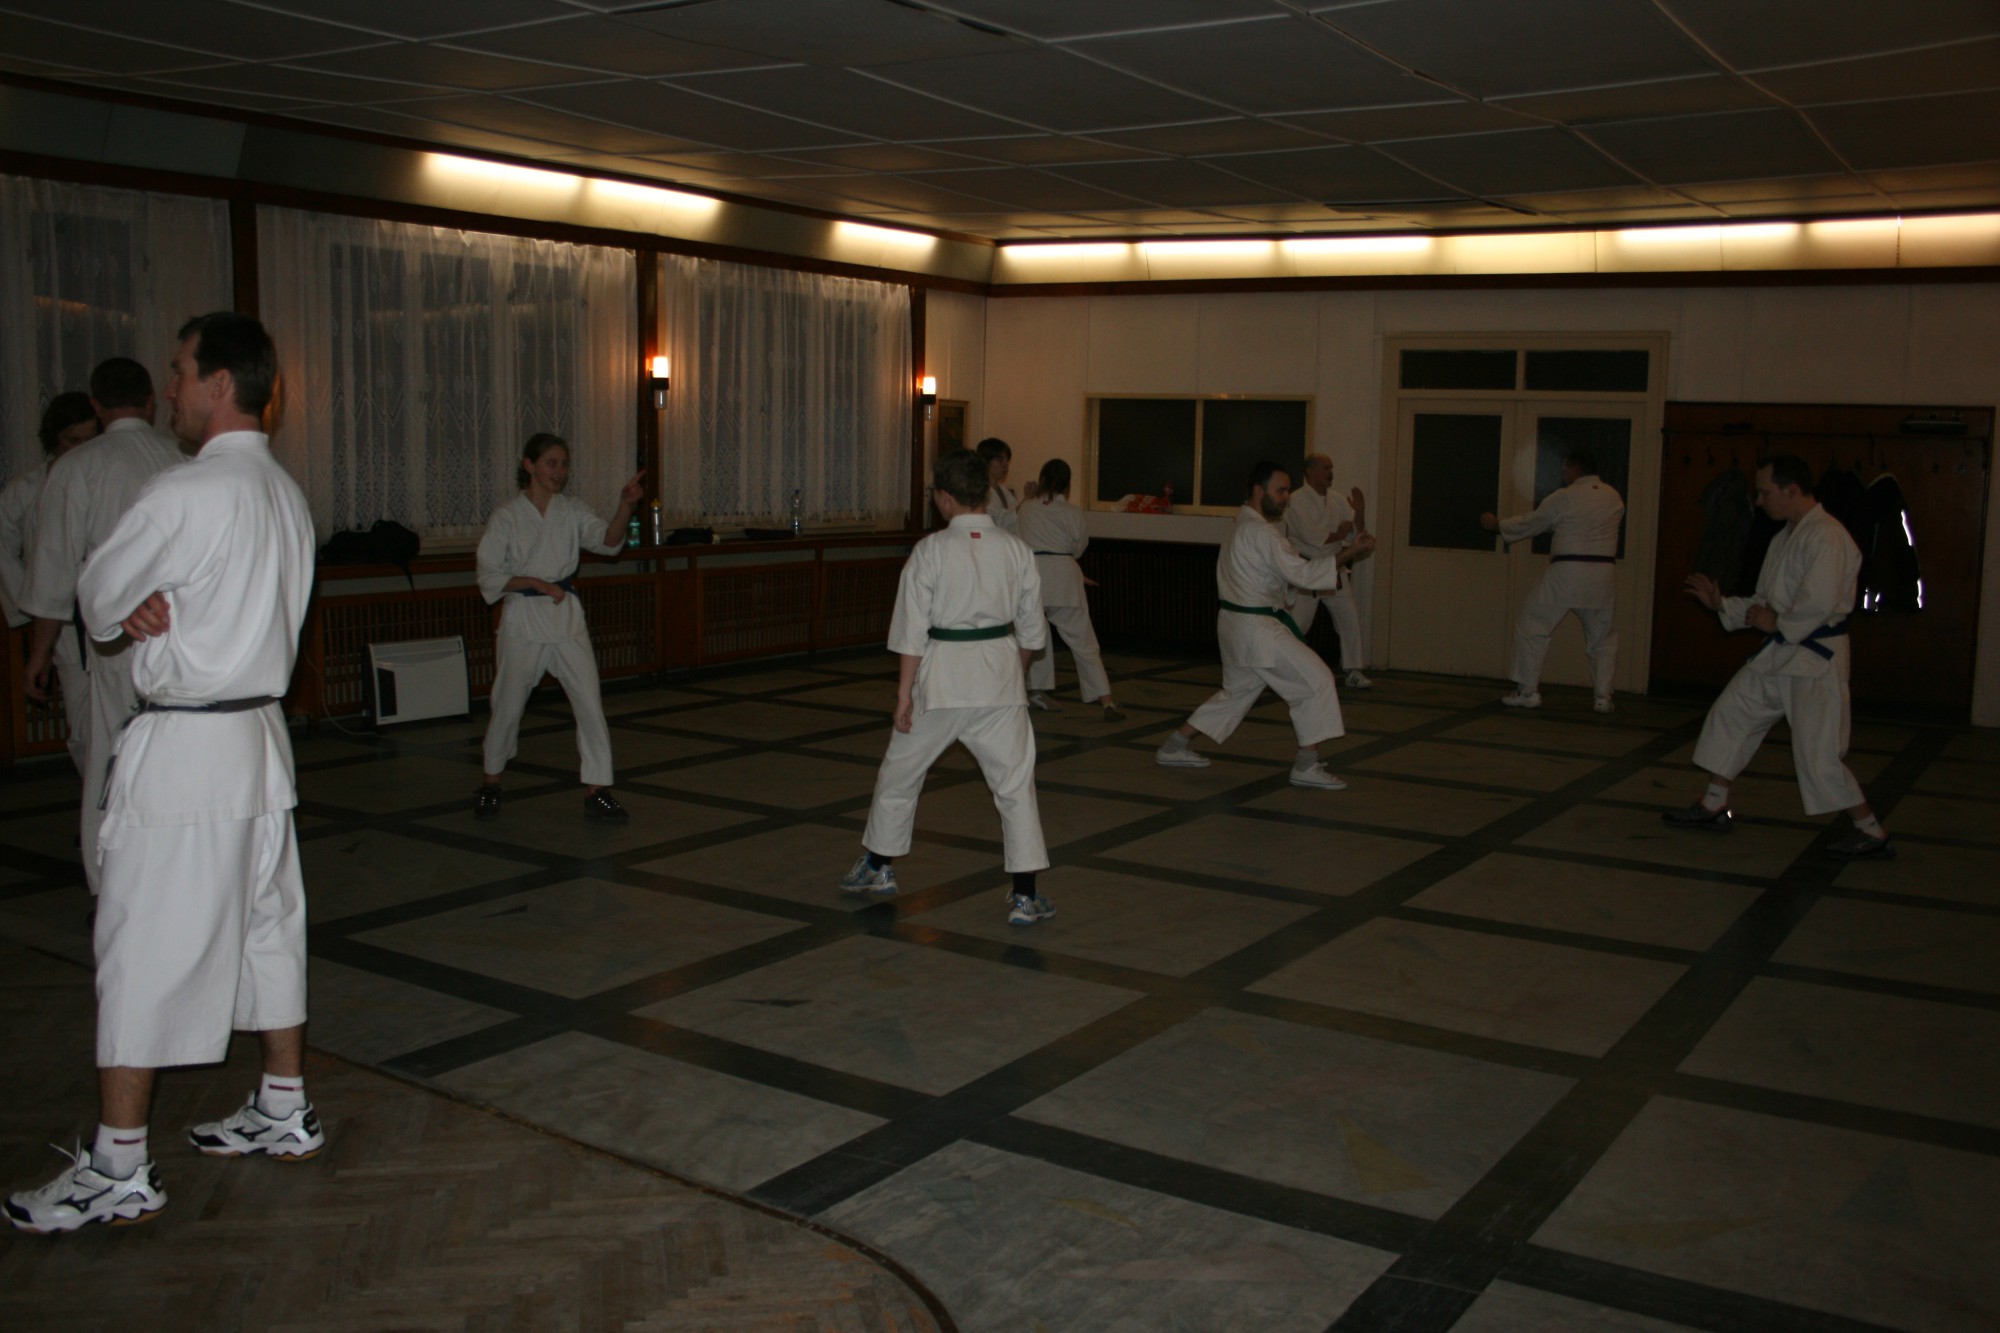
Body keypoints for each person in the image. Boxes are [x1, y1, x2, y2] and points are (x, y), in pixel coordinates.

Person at [5, 312, 321, 1235]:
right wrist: (146, 599)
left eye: (181, 370)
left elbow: (95, 595)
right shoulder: (284, 494)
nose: (170, 389)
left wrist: (135, 602)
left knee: (138, 947)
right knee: (269, 926)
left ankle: (118, 1165)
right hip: (260, 743)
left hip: (186, 751)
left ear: (220, 382)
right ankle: (283, 1102)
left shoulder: (187, 491)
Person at [841, 447, 1055, 925]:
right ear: (984, 492)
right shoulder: (1016, 550)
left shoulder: (930, 551)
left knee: (900, 774)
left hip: (939, 681)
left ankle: (877, 866)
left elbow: (910, 631)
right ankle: (1025, 895)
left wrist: (904, 695)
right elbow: (1031, 634)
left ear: (942, 497)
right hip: (999, 679)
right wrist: (1015, 677)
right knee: (1015, 786)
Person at [1665, 455, 1893, 860]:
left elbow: (1819, 602)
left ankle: (1870, 831)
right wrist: (1723, 605)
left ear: (1792, 490)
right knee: (1733, 713)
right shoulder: (1784, 537)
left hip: (1814, 661)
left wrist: (1778, 624)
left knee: (1819, 755)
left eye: (1765, 492)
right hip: (1781, 653)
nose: (1759, 501)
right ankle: (1714, 805)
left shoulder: (1828, 536)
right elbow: (1764, 602)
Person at [18, 358, 186, 888]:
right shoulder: (181, 460)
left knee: (109, 760)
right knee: (173, 758)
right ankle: (169, 877)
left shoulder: (78, 466)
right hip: (181, 636)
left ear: (96, 406)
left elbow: (53, 572)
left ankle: (110, 882)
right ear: (150, 401)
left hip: (117, 640)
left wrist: (39, 654)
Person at [1156, 461, 1373, 789]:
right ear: (1259, 491)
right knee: (1316, 680)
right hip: (1256, 629)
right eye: (1281, 491)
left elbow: (1281, 577)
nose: (1286, 497)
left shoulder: (1243, 525)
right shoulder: (1260, 532)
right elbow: (1302, 574)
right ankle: (1306, 765)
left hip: (1237, 625)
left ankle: (1173, 746)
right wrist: (1350, 552)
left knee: (1237, 693)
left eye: (1287, 491)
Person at [475, 433, 644, 823]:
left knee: (589, 703)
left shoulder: (571, 510)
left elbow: (609, 541)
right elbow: (490, 575)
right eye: (551, 463)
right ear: (529, 465)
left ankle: (597, 789)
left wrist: (625, 505)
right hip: (523, 619)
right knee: (508, 704)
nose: (559, 471)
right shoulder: (507, 517)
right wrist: (534, 582)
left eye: (564, 464)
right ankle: (491, 782)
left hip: (566, 616)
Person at [1480, 451, 1625, 713]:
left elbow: (1535, 521)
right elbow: (1569, 523)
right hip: (1603, 573)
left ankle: (1528, 691)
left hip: (1568, 570)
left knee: (1532, 626)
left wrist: (1499, 525)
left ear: (1574, 469)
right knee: (1602, 637)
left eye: (1564, 469)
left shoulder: (1565, 497)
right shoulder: (1613, 497)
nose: (1563, 475)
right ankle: (1603, 697)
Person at [1, 393, 99, 773]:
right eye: (73, 441)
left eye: (90, 440)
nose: (82, 449)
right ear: (54, 439)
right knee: (82, 720)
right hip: (63, 619)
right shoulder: (27, 488)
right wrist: (30, 602)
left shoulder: (103, 478)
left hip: (109, 610)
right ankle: (95, 802)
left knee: (119, 715)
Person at [1017, 458, 1124, 721]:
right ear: (1068, 485)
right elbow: (1078, 547)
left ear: (1041, 480)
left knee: (1029, 640)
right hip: (1064, 578)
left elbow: (1018, 541)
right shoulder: (1072, 512)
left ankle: (1015, 699)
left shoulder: (1027, 508)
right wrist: (1064, 563)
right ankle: (1107, 702)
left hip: (1033, 577)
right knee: (1084, 643)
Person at [1282, 453, 1374, 691]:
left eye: (1331, 467)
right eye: (1325, 468)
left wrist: (1360, 511)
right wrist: (1341, 533)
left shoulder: (1337, 499)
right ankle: (1282, 669)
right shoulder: (1296, 501)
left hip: (1335, 568)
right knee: (1298, 625)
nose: (1330, 472)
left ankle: (1353, 670)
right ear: (1310, 472)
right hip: (1307, 570)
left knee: (1349, 619)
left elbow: (1357, 534)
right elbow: (1313, 537)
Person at [974, 436, 1021, 536]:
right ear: (986, 462)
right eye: (1000, 460)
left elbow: (1017, 519)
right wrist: (1027, 500)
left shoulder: (1005, 492)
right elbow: (998, 521)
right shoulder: (979, 492)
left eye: (1007, 460)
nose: (1005, 465)